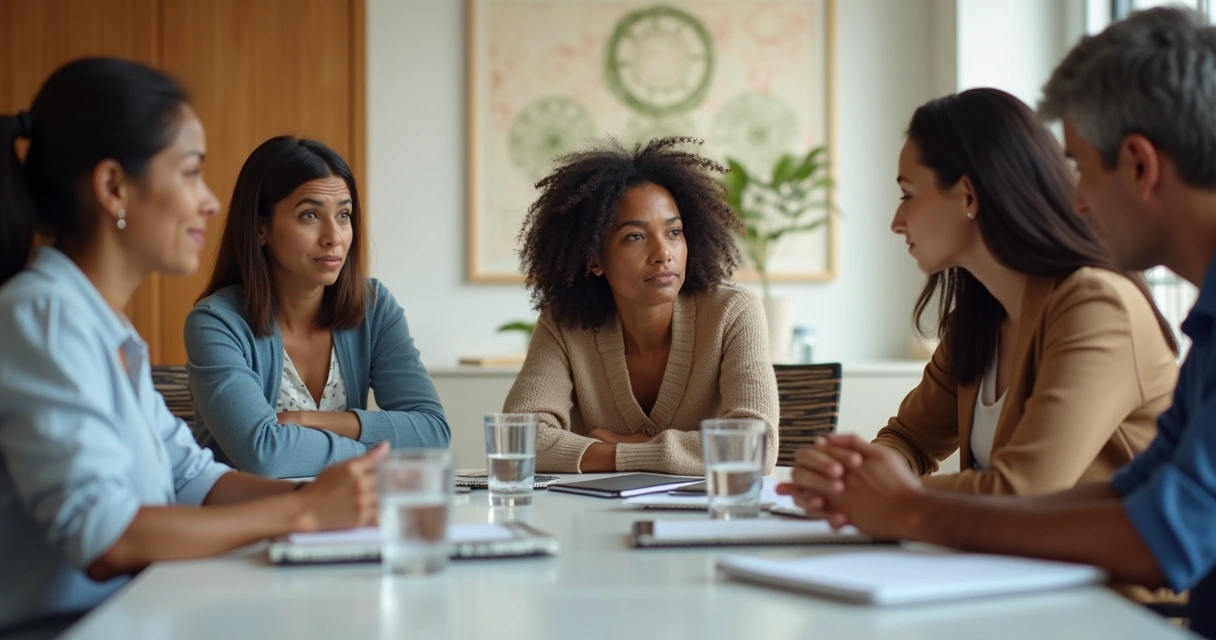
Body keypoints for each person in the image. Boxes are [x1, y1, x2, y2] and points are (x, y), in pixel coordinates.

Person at [778, 7, 1216, 636]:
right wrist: (866, 483)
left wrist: (906, 507)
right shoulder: (984, 314)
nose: (1078, 200)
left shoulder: (1098, 302)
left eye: (1083, 169)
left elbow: (1151, 531)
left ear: (1141, 165)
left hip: (1114, 612)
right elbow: (1138, 495)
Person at [0, 58, 385, 634]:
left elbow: (190, 478)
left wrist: (330, 499)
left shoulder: (106, 327)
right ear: (113, 187)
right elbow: (104, 537)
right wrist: (301, 512)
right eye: (189, 174)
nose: (208, 202)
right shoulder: (43, 315)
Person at [801, 87, 1178, 500]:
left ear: (968, 195)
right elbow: (909, 440)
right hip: (1011, 561)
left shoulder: (1097, 306)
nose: (896, 220)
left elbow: (1023, 490)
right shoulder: (980, 317)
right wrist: (852, 474)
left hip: (1105, 564)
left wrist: (885, 497)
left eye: (908, 195)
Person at [503, 137, 779, 475]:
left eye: (674, 232)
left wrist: (622, 450)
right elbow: (518, 440)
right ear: (594, 258)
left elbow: (755, 447)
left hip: (707, 520)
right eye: (635, 236)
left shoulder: (733, 312)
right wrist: (662, 453)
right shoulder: (564, 325)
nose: (663, 253)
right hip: (594, 518)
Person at [185, 136, 449, 479]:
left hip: (347, 521)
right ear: (260, 227)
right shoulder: (216, 323)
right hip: (249, 523)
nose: (334, 236)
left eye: (343, 215)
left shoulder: (374, 307)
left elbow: (432, 433)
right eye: (309, 215)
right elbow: (266, 455)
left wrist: (312, 421)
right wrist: (380, 454)